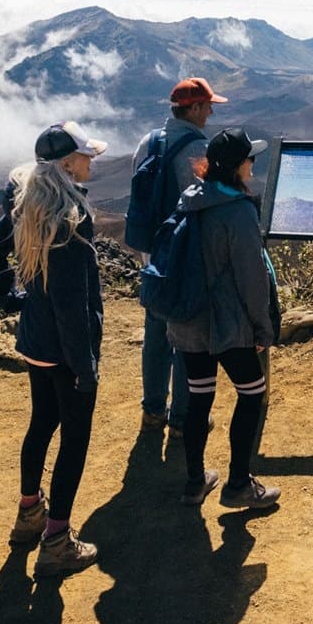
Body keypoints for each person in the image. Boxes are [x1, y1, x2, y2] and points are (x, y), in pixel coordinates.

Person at [7, 122, 110, 578]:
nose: (92, 162)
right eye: (87, 156)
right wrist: (85, 366)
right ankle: (56, 541)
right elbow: (72, 303)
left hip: (36, 344)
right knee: (74, 439)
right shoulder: (71, 217)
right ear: (68, 165)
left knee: (40, 423)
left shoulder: (26, 202)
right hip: (66, 352)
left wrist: (15, 301)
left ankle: (29, 512)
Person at [168, 126, 283, 510]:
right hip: (229, 324)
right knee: (251, 395)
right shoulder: (237, 212)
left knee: (199, 399)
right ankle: (238, 484)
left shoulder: (190, 199)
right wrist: (263, 325)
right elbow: (252, 278)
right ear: (238, 166)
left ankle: (194, 481)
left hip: (188, 320)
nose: (253, 164)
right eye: (251, 158)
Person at [130, 78, 224, 436]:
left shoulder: (148, 141)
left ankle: (153, 410)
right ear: (195, 108)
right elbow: (206, 204)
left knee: (156, 332)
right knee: (188, 335)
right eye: (209, 105)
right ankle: (183, 418)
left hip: (151, 253)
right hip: (184, 258)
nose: (212, 111)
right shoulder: (199, 147)